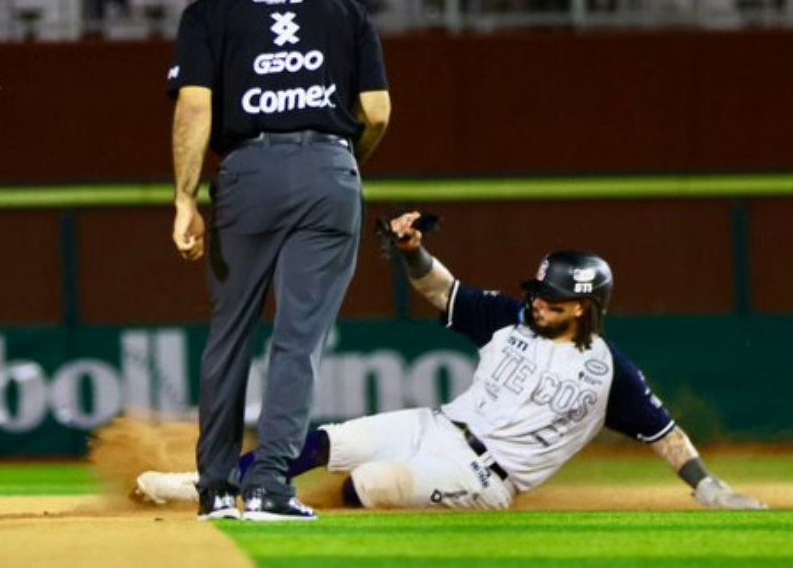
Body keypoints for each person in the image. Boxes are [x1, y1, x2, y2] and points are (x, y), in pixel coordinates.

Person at [135, 212, 767, 512]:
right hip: (435, 424)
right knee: (326, 441)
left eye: (549, 298)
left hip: (488, 477)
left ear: (581, 309)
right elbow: (444, 292)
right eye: (537, 293)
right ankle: (211, 488)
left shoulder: (609, 373)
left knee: (371, 485)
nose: (536, 301)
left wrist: (709, 487)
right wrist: (412, 251)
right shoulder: (511, 321)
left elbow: (665, 433)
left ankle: (288, 516)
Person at [167, 0, 391, 522]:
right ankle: (269, 484)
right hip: (329, 167)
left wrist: (185, 200)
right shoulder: (345, 9)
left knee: (231, 333)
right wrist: (340, 163)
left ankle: (215, 488)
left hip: (248, 172)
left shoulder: (208, 10)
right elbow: (376, 113)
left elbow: (194, 107)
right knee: (298, 341)